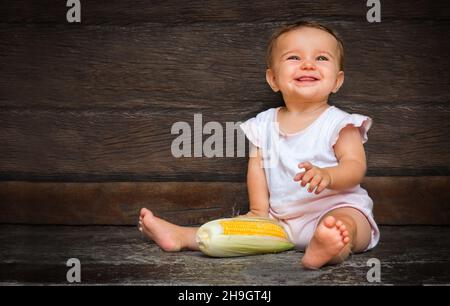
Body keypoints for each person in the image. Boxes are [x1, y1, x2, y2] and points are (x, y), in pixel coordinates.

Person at [139, 21, 379, 269]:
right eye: (294, 57)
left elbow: (355, 166)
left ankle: (327, 248)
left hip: (335, 207)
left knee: (347, 225)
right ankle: (181, 236)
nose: (308, 64)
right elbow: (257, 168)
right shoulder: (263, 124)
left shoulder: (340, 123)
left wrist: (329, 176)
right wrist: (258, 211)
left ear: (337, 81)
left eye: (321, 58)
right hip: (281, 222)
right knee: (229, 232)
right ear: (273, 79)